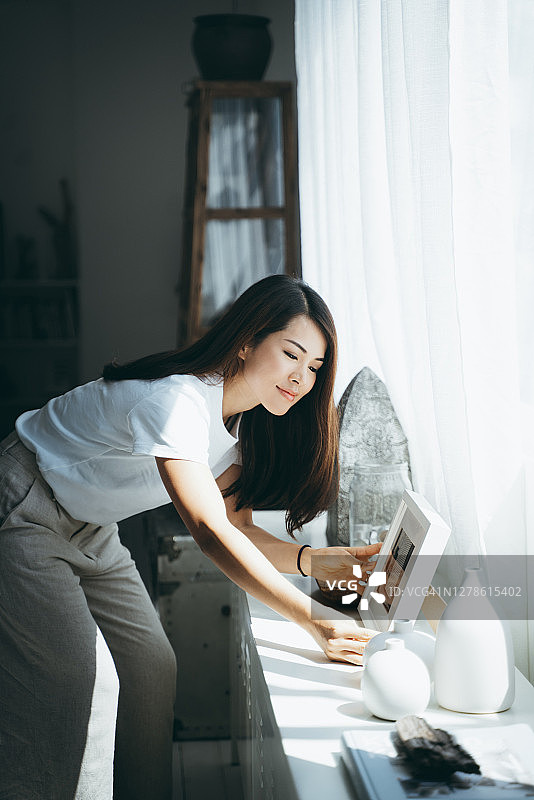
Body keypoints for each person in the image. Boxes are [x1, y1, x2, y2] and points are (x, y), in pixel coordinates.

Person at [0, 274, 380, 800]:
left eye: (314, 367)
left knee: (153, 669)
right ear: (247, 340)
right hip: (27, 505)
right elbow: (209, 531)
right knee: (84, 688)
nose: (301, 378)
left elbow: (242, 530)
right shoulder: (178, 399)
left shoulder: (244, 426)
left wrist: (327, 564)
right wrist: (314, 619)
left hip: (92, 529)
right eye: (291, 354)